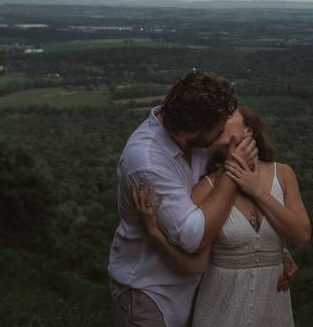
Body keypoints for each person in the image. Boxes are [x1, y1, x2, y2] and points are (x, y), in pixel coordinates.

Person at [132, 105, 310, 327]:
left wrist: (258, 192)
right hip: (221, 311)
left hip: (273, 309)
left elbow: (302, 235)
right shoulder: (206, 188)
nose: (217, 124)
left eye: (226, 121)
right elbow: (195, 265)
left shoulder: (283, 174)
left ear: (249, 131)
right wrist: (154, 233)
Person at [109, 71, 263, 327]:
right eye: (218, 130)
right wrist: (231, 171)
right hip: (150, 294)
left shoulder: (197, 138)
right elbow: (193, 236)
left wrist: (269, 246)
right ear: (189, 132)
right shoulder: (146, 160)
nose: (224, 135)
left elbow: (224, 205)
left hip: (196, 292)